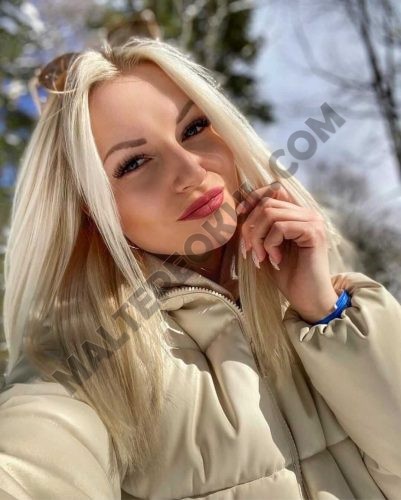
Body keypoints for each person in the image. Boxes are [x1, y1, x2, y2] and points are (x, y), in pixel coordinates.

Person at [0, 36, 400, 500]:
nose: (190, 170)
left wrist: (326, 313)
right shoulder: (87, 354)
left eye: (193, 128)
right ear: (89, 209)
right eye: (134, 162)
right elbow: (30, 463)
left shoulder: (343, 304)